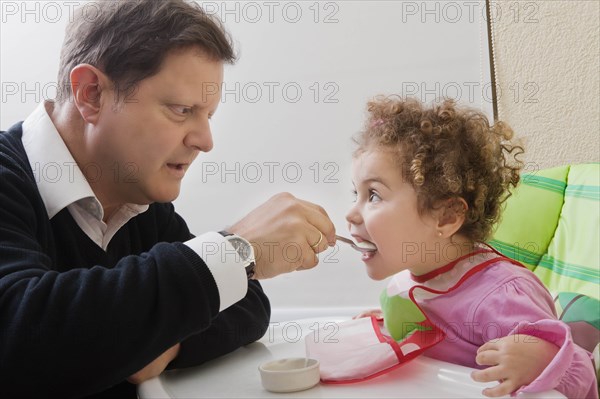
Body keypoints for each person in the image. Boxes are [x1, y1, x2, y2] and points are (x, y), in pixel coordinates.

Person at [0, 1, 335, 397]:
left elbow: (247, 304)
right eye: (181, 110)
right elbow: (19, 338)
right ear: (91, 94)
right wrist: (233, 252)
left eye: (207, 115)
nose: (205, 141)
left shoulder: (139, 200)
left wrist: (158, 340)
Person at [347, 97, 597, 398]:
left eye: (373, 195)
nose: (350, 214)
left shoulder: (501, 296)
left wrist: (543, 360)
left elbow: (585, 380)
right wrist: (385, 327)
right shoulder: (407, 282)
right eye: (355, 193)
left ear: (447, 216)